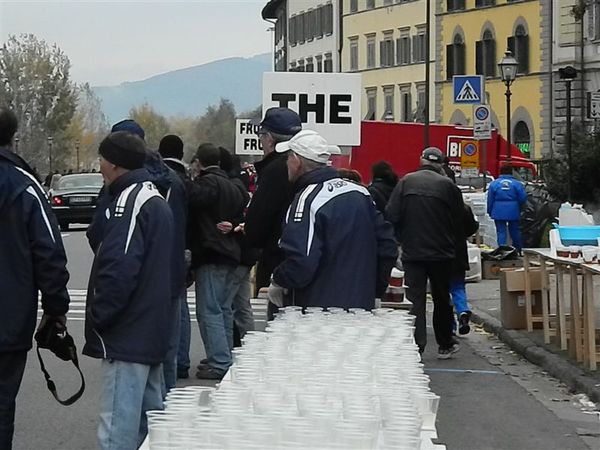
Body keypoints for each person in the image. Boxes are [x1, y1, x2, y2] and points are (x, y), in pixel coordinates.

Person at [83, 131, 174, 450]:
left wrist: (100, 316)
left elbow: (119, 267)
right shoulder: (152, 196)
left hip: (128, 332)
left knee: (117, 429)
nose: (100, 167)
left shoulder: (129, 202)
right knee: (150, 427)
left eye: (102, 159)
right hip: (149, 326)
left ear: (115, 164)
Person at [0, 108, 70, 450]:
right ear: (13, 138)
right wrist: (56, 307)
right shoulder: (24, 186)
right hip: (7, 319)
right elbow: (49, 252)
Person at [270, 130, 398, 310]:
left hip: (318, 311)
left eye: (288, 158)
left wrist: (278, 280)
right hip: (360, 308)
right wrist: (375, 289)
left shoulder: (308, 198)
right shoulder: (360, 192)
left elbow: (302, 262)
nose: (286, 164)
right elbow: (387, 246)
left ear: (297, 161)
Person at [386, 147, 465, 359]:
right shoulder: (447, 185)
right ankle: (445, 343)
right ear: (440, 164)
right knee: (441, 298)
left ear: (421, 160)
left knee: (415, 299)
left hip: (413, 251)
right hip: (442, 251)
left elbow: (391, 214)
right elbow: (461, 219)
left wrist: (400, 239)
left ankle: (416, 345)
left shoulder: (405, 182)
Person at [187, 143, 245, 380]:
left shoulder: (207, 183)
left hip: (212, 252)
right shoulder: (233, 186)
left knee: (209, 310)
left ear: (199, 162)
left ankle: (219, 361)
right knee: (223, 309)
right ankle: (226, 355)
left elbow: (192, 202)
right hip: (231, 252)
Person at [244, 107, 302, 310]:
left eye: (261, 135)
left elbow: (257, 225)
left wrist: (248, 231)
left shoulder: (274, 170)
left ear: (269, 139)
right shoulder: (306, 166)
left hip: (277, 260)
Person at [158, 134, 192, 380]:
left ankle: (175, 362)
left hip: (169, 253)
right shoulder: (185, 178)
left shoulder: (165, 179)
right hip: (183, 248)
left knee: (174, 309)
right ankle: (181, 359)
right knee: (181, 308)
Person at [218, 148, 256, 345]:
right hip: (249, 252)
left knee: (224, 303)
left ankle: (225, 348)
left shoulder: (230, 187)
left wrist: (233, 225)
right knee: (241, 304)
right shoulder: (244, 187)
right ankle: (248, 344)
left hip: (240, 252)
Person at [450, 204, 479, 335]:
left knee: (441, 291)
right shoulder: (463, 207)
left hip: (438, 252)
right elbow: (472, 227)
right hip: (458, 252)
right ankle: (462, 310)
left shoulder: (433, 206)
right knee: (458, 286)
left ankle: (449, 326)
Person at [487, 165, 528, 253]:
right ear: (511, 172)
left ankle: (502, 251)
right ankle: (518, 250)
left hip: (498, 210)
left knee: (501, 231)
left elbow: (490, 199)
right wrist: (518, 206)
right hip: (513, 209)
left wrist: (490, 211)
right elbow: (523, 197)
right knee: (515, 230)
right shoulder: (517, 184)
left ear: (500, 172)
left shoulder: (494, 184)